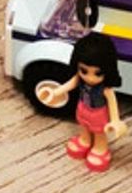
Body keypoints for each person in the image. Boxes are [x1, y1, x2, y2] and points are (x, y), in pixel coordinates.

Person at [37, 31, 127, 172]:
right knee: (83, 126)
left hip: (99, 114)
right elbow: (70, 84)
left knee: (99, 132)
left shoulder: (105, 88)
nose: (90, 78)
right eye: (84, 71)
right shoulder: (79, 79)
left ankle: (100, 148)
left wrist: (115, 120)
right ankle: (84, 141)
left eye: (97, 73)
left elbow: (112, 102)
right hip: (82, 108)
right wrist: (55, 92)